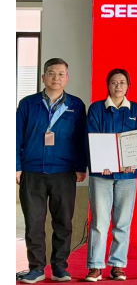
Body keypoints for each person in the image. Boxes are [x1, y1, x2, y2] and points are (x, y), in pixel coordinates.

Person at [16, 58, 88, 284]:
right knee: (34, 223)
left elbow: (81, 140)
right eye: (51, 73)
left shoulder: (76, 105)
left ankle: (59, 267)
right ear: (43, 77)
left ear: (67, 78)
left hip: (64, 172)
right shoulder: (27, 104)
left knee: (63, 222)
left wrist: (81, 167)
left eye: (61, 74)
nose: (56, 78)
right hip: (32, 171)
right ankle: (36, 268)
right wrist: (17, 166)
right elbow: (16, 136)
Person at [84, 69, 137, 282]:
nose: (118, 86)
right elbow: (91, 138)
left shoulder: (136, 110)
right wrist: (101, 163)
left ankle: (118, 265)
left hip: (127, 177)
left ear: (128, 86)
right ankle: (95, 266)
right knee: (99, 222)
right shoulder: (96, 109)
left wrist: (134, 163)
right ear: (108, 85)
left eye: (122, 82)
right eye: (114, 82)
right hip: (101, 175)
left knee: (122, 222)